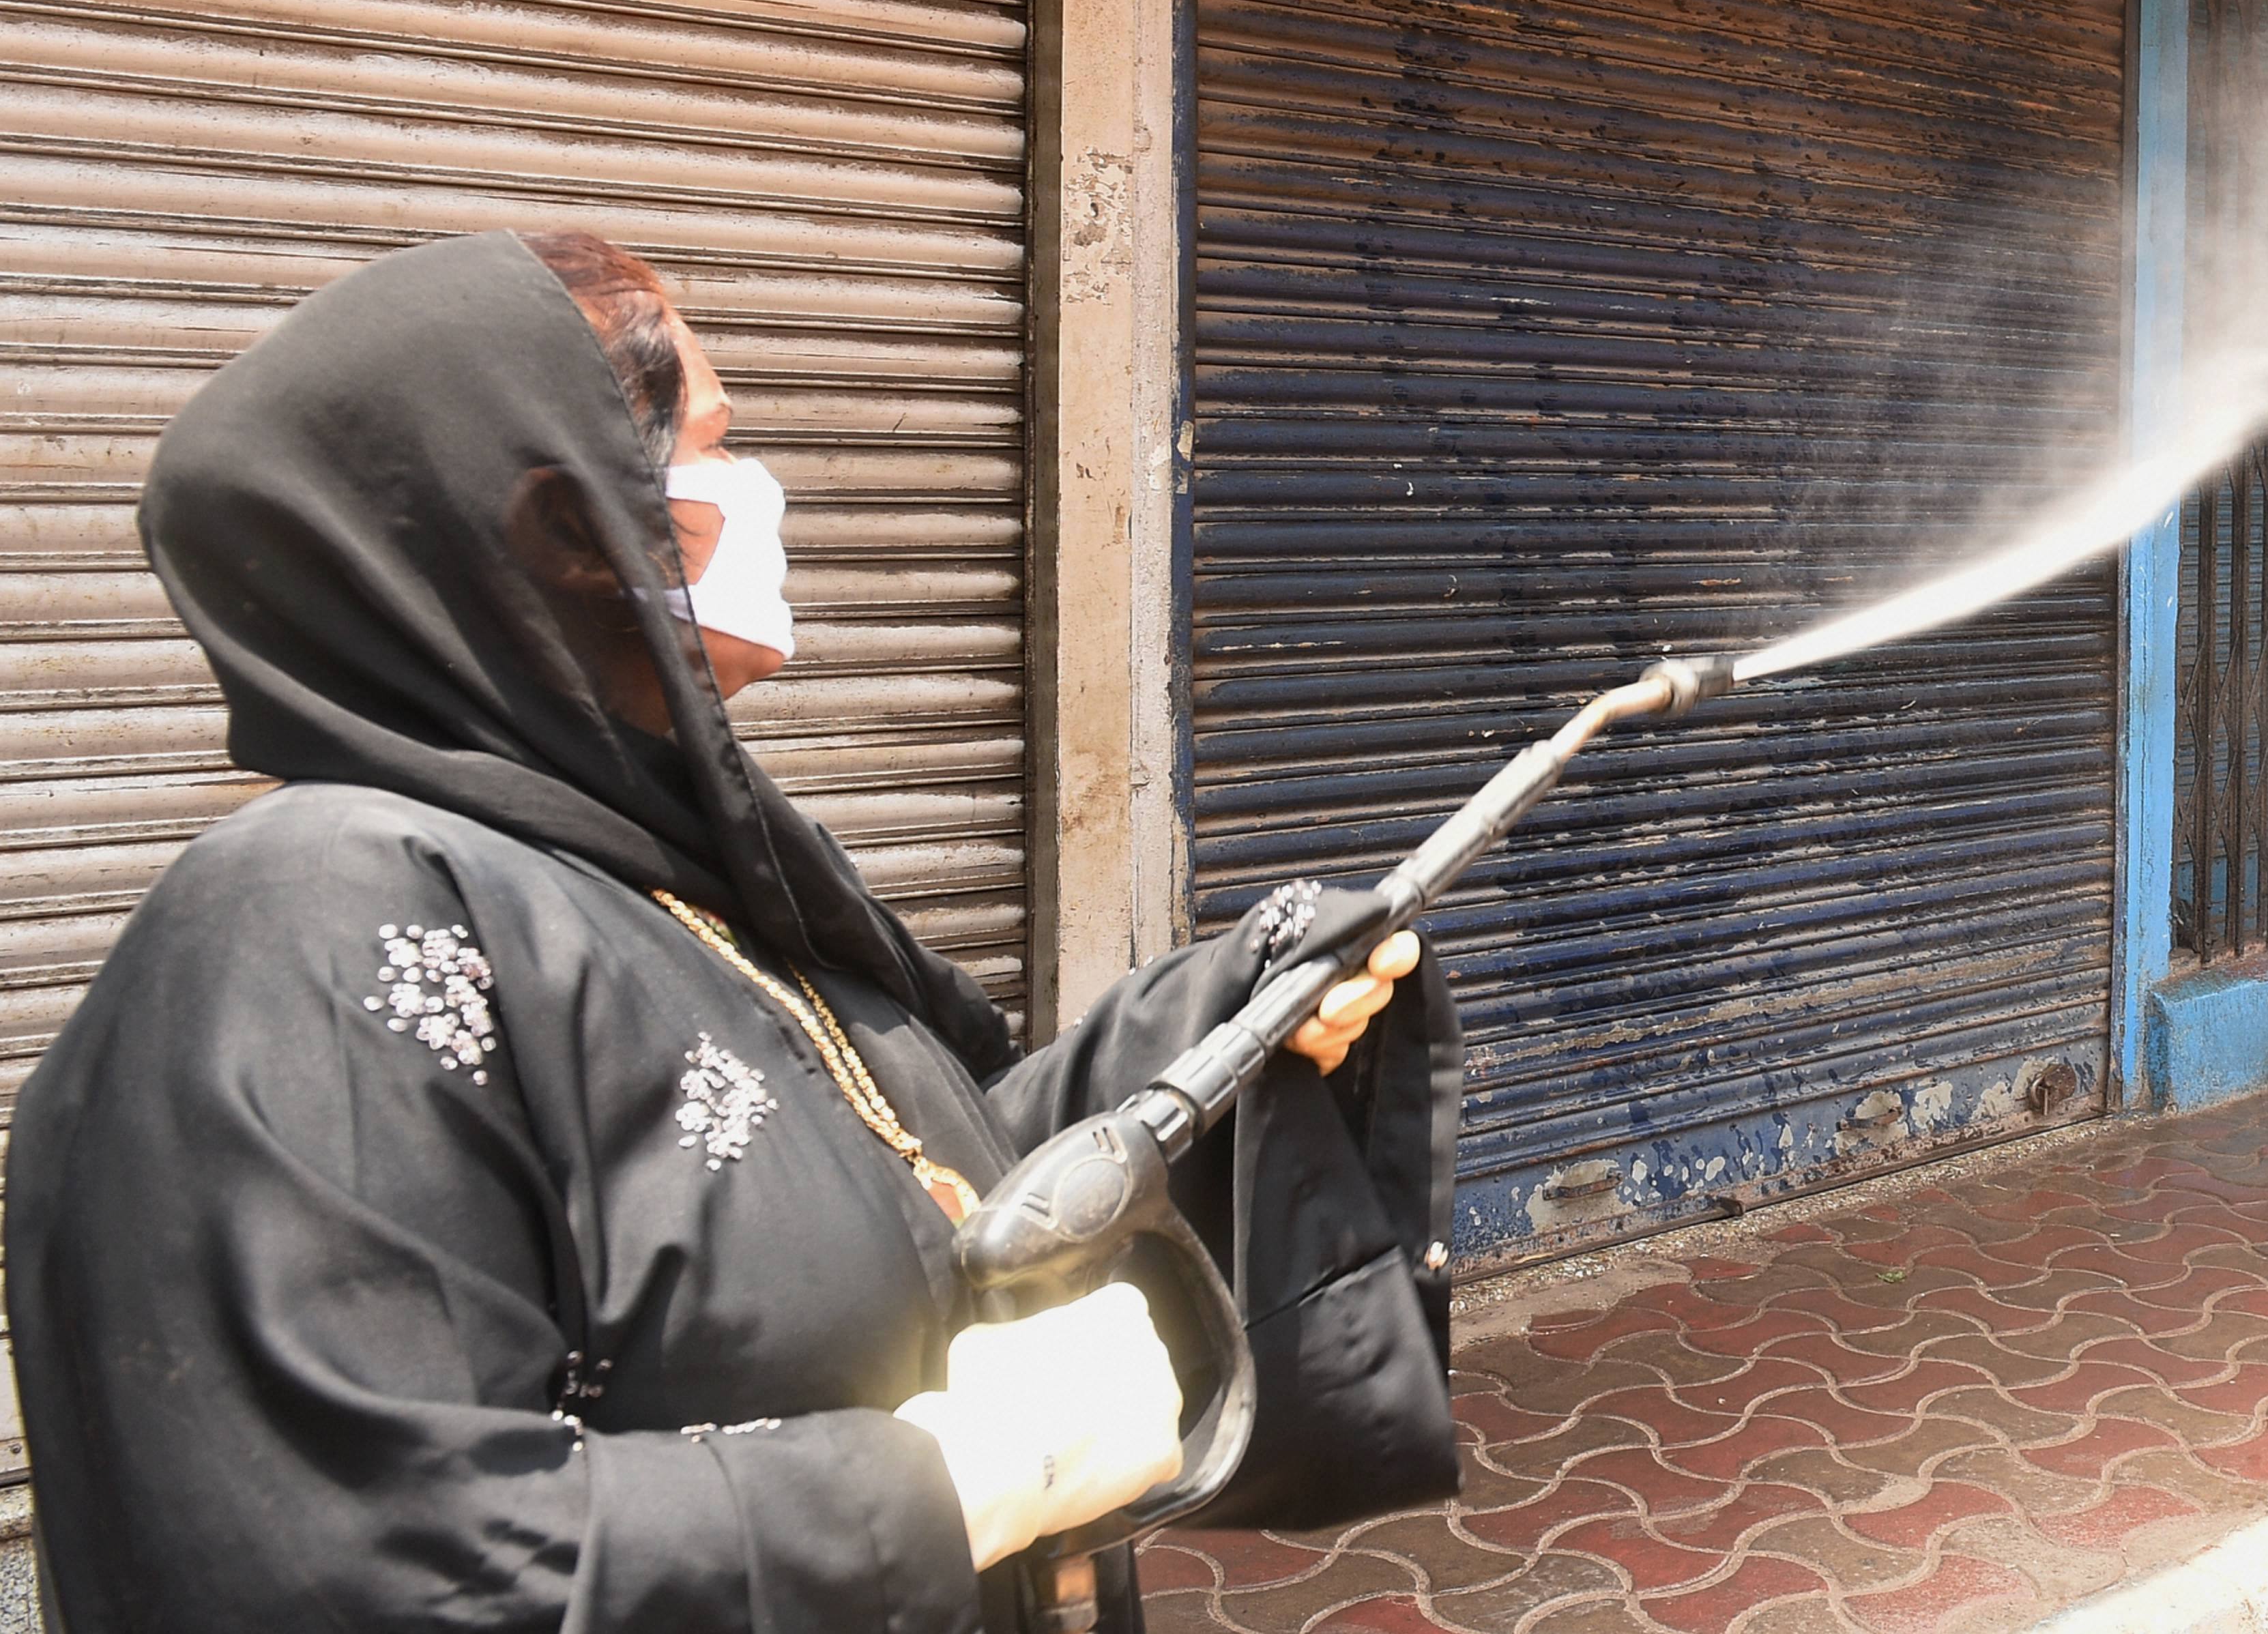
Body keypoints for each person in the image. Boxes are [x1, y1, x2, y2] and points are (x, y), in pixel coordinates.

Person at [6, 231, 1461, 1633]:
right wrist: (950, 1482)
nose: (760, 489)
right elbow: (345, 1565)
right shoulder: (316, 923)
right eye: (711, 445)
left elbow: (916, 1189)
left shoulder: (669, 868)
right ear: (568, 525)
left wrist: (1228, 1024)